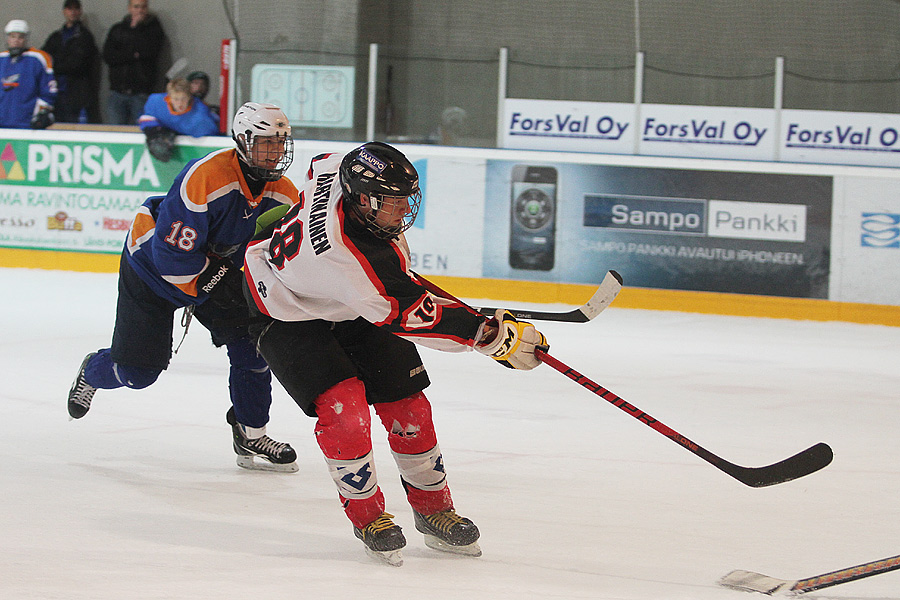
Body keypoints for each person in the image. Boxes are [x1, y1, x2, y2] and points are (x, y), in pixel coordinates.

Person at [242, 141, 549, 565]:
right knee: (345, 411)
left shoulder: (340, 170)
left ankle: (433, 509)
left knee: (409, 405)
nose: (404, 211)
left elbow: (320, 169)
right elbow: (409, 315)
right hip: (284, 310)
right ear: (363, 200)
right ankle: (368, 517)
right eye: (394, 202)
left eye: (407, 199)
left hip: (341, 295)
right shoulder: (348, 258)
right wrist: (490, 337)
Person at [67, 102, 301, 473]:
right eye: (265, 143)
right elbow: (171, 259)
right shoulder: (206, 177)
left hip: (213, 273)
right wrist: (220, 281)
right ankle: (93, 370)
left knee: (254, 345)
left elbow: (277, 253)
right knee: (137, 374)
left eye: (280, 143)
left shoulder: (284, 194)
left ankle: (251, 431)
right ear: (242, 141)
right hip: (151, 270)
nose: (273, 153)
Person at [102, 0, 165, 125]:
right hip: (117, 91)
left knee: (141, 132)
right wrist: (133, 55)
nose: (140, 10)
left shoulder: (154, 30)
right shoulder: (117, 29)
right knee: (115, 134)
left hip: (141, 92)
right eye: (136, 7)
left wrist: (136, 29)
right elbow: (108, 56)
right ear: (129, 8)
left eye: (143, 7)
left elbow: (149, 52)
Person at [41, 0, 100, 124]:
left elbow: (77, 64)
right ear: (64, 12)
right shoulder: (56, 36)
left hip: (76, 94)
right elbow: (44, 58)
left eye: (76, 9)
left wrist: (56, 64)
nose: (72, 12)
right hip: (57, 92)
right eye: (69, 9)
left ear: (80, 11)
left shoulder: (85, 36)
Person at [138, 78, 218, 161]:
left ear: (189, 97)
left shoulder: (200, 114)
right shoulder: (155, 101)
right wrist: (156, 132)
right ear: (169, 97)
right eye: (176, 99)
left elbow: (211, 134)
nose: (180, 103)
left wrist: (176, 132)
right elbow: (146, 119)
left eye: (183, 99)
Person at [0, 20, 57, 129]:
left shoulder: (38, 58)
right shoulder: (1, 59)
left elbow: (49, 90)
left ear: (26, 38)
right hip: (2, 123)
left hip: (27, 124)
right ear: (7, 38)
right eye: (13, 36)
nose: (16, 40)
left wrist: (41, 112)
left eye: (20, 37)